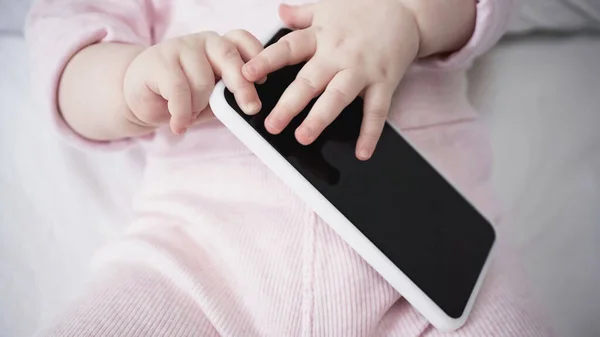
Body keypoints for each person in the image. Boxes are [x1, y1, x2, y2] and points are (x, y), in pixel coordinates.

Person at [26, 0, 549, 335]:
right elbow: (66, 51)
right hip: (201, 261)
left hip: (430, 268)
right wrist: (129, 81)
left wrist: (408, 17)